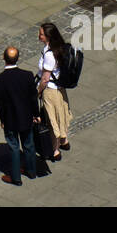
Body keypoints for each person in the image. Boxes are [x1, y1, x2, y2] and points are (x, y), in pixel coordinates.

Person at [0, 46, 40, 185]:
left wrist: (2, 120)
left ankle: (15, 177)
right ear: (18, 58)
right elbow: (33, 98)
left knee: (13, 147)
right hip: (26, 117)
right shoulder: (27, 75)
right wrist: (36, 114)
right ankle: (32, 171)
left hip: (10, 119)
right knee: (29, 145)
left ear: (4, 58)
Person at [36, 22, 73, 162]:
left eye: (41, 34)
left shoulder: (50, 55)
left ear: (48, 36)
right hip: (59, 88)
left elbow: (45, 78)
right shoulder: (59, 47)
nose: (39, 36)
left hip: (50, 91)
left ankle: (55, 150)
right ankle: (64, 140)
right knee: (61, 115)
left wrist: (38, 92)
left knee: (52, 121)